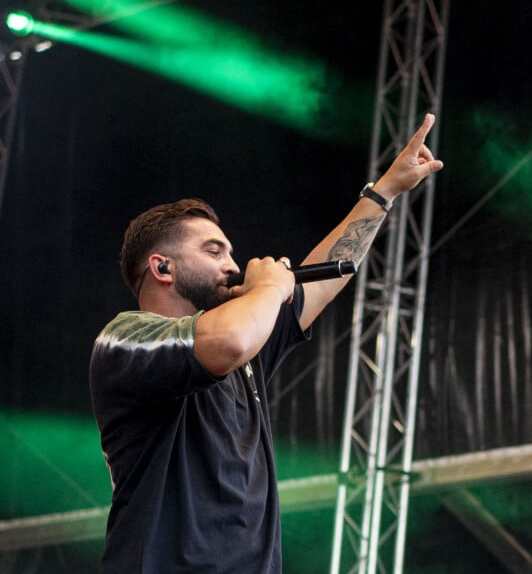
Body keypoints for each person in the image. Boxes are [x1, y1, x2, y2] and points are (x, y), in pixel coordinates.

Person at [89, 114, 443, 573]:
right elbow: (231, 339)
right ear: (162, 268)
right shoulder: (126, 338)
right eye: (214, 251)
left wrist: (385, 191)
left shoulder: (243, 351)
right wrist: (271, 288)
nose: (233, 266)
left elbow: (319, 284)